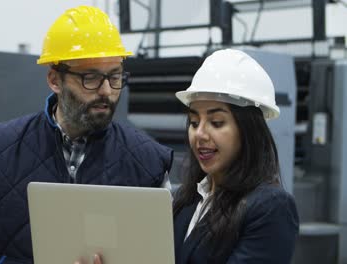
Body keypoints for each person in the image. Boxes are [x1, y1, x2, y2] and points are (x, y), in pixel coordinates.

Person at [0, 5, 173, 264]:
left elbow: (163, 256)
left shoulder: (149, 161)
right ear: (55, 80)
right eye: (91, 78)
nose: (107, 91)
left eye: (115, 77)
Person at [78, 49, 299, 264]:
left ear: (249, 130)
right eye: (194, 122)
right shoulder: (188, 200)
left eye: (216, 123)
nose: (200, 134)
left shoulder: (271, 207)